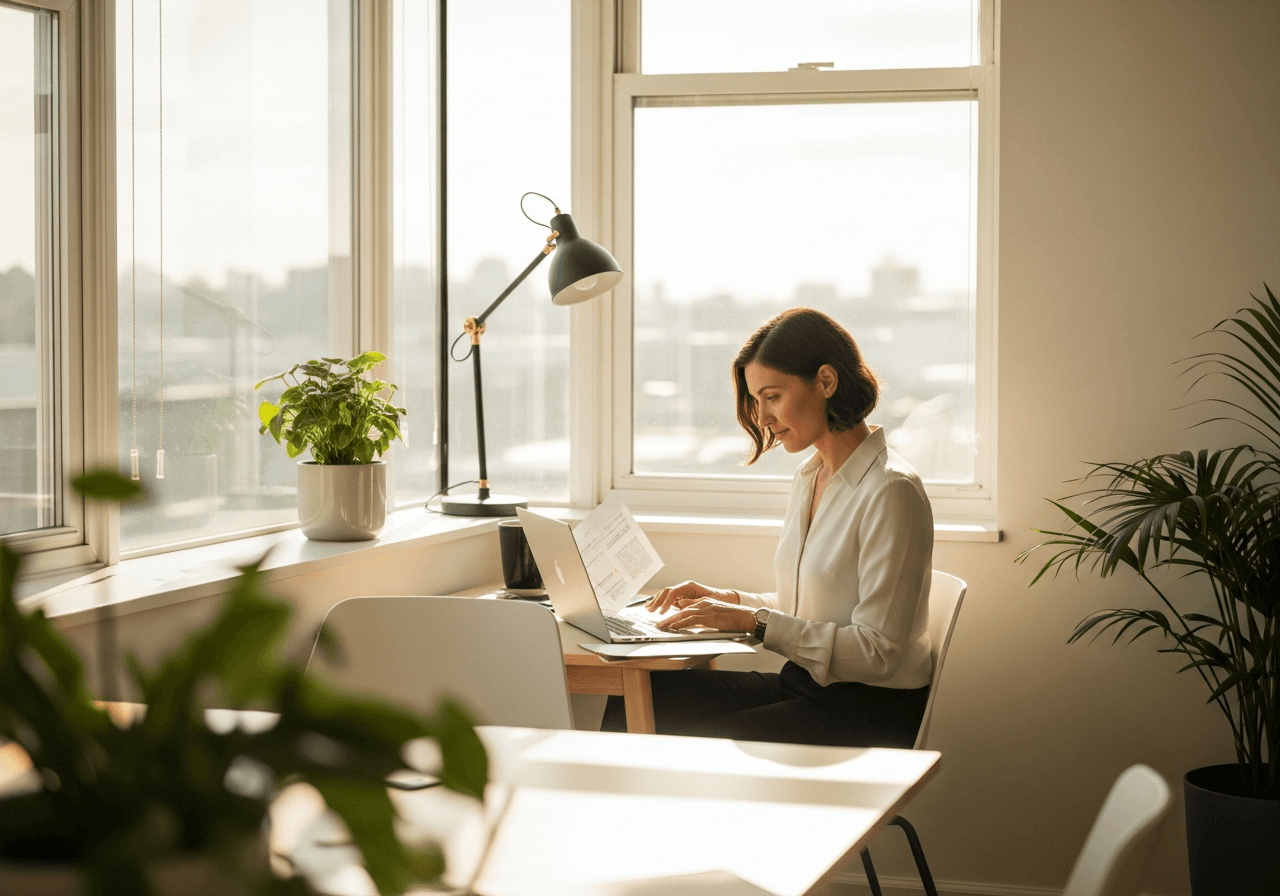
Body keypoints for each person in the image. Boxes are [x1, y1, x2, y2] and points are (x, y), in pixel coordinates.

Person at [601, 307, 934, 747]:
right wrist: (730, 602)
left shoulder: (891, 490)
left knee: (690, 750)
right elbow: (817, 605)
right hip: (808, 687)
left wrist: (754, 622)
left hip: (865, 709)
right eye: (756, 401)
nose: (761, 418)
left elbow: (879, 653)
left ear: (827, 382)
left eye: (772, 397)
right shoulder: (812, 476)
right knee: (635, 697)